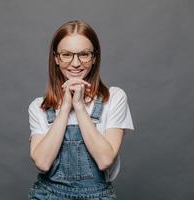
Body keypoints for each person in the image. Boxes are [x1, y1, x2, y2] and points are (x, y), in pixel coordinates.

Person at [27, 20, 134, 200]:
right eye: (67, 54)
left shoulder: (114, 98)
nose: (75, 63)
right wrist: (65, 107)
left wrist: (79, 107)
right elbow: (43, 163)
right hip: (46, 195)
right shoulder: (39, 107)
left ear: (94, 58)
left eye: (84, 54)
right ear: (56, 58)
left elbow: (105, 160)